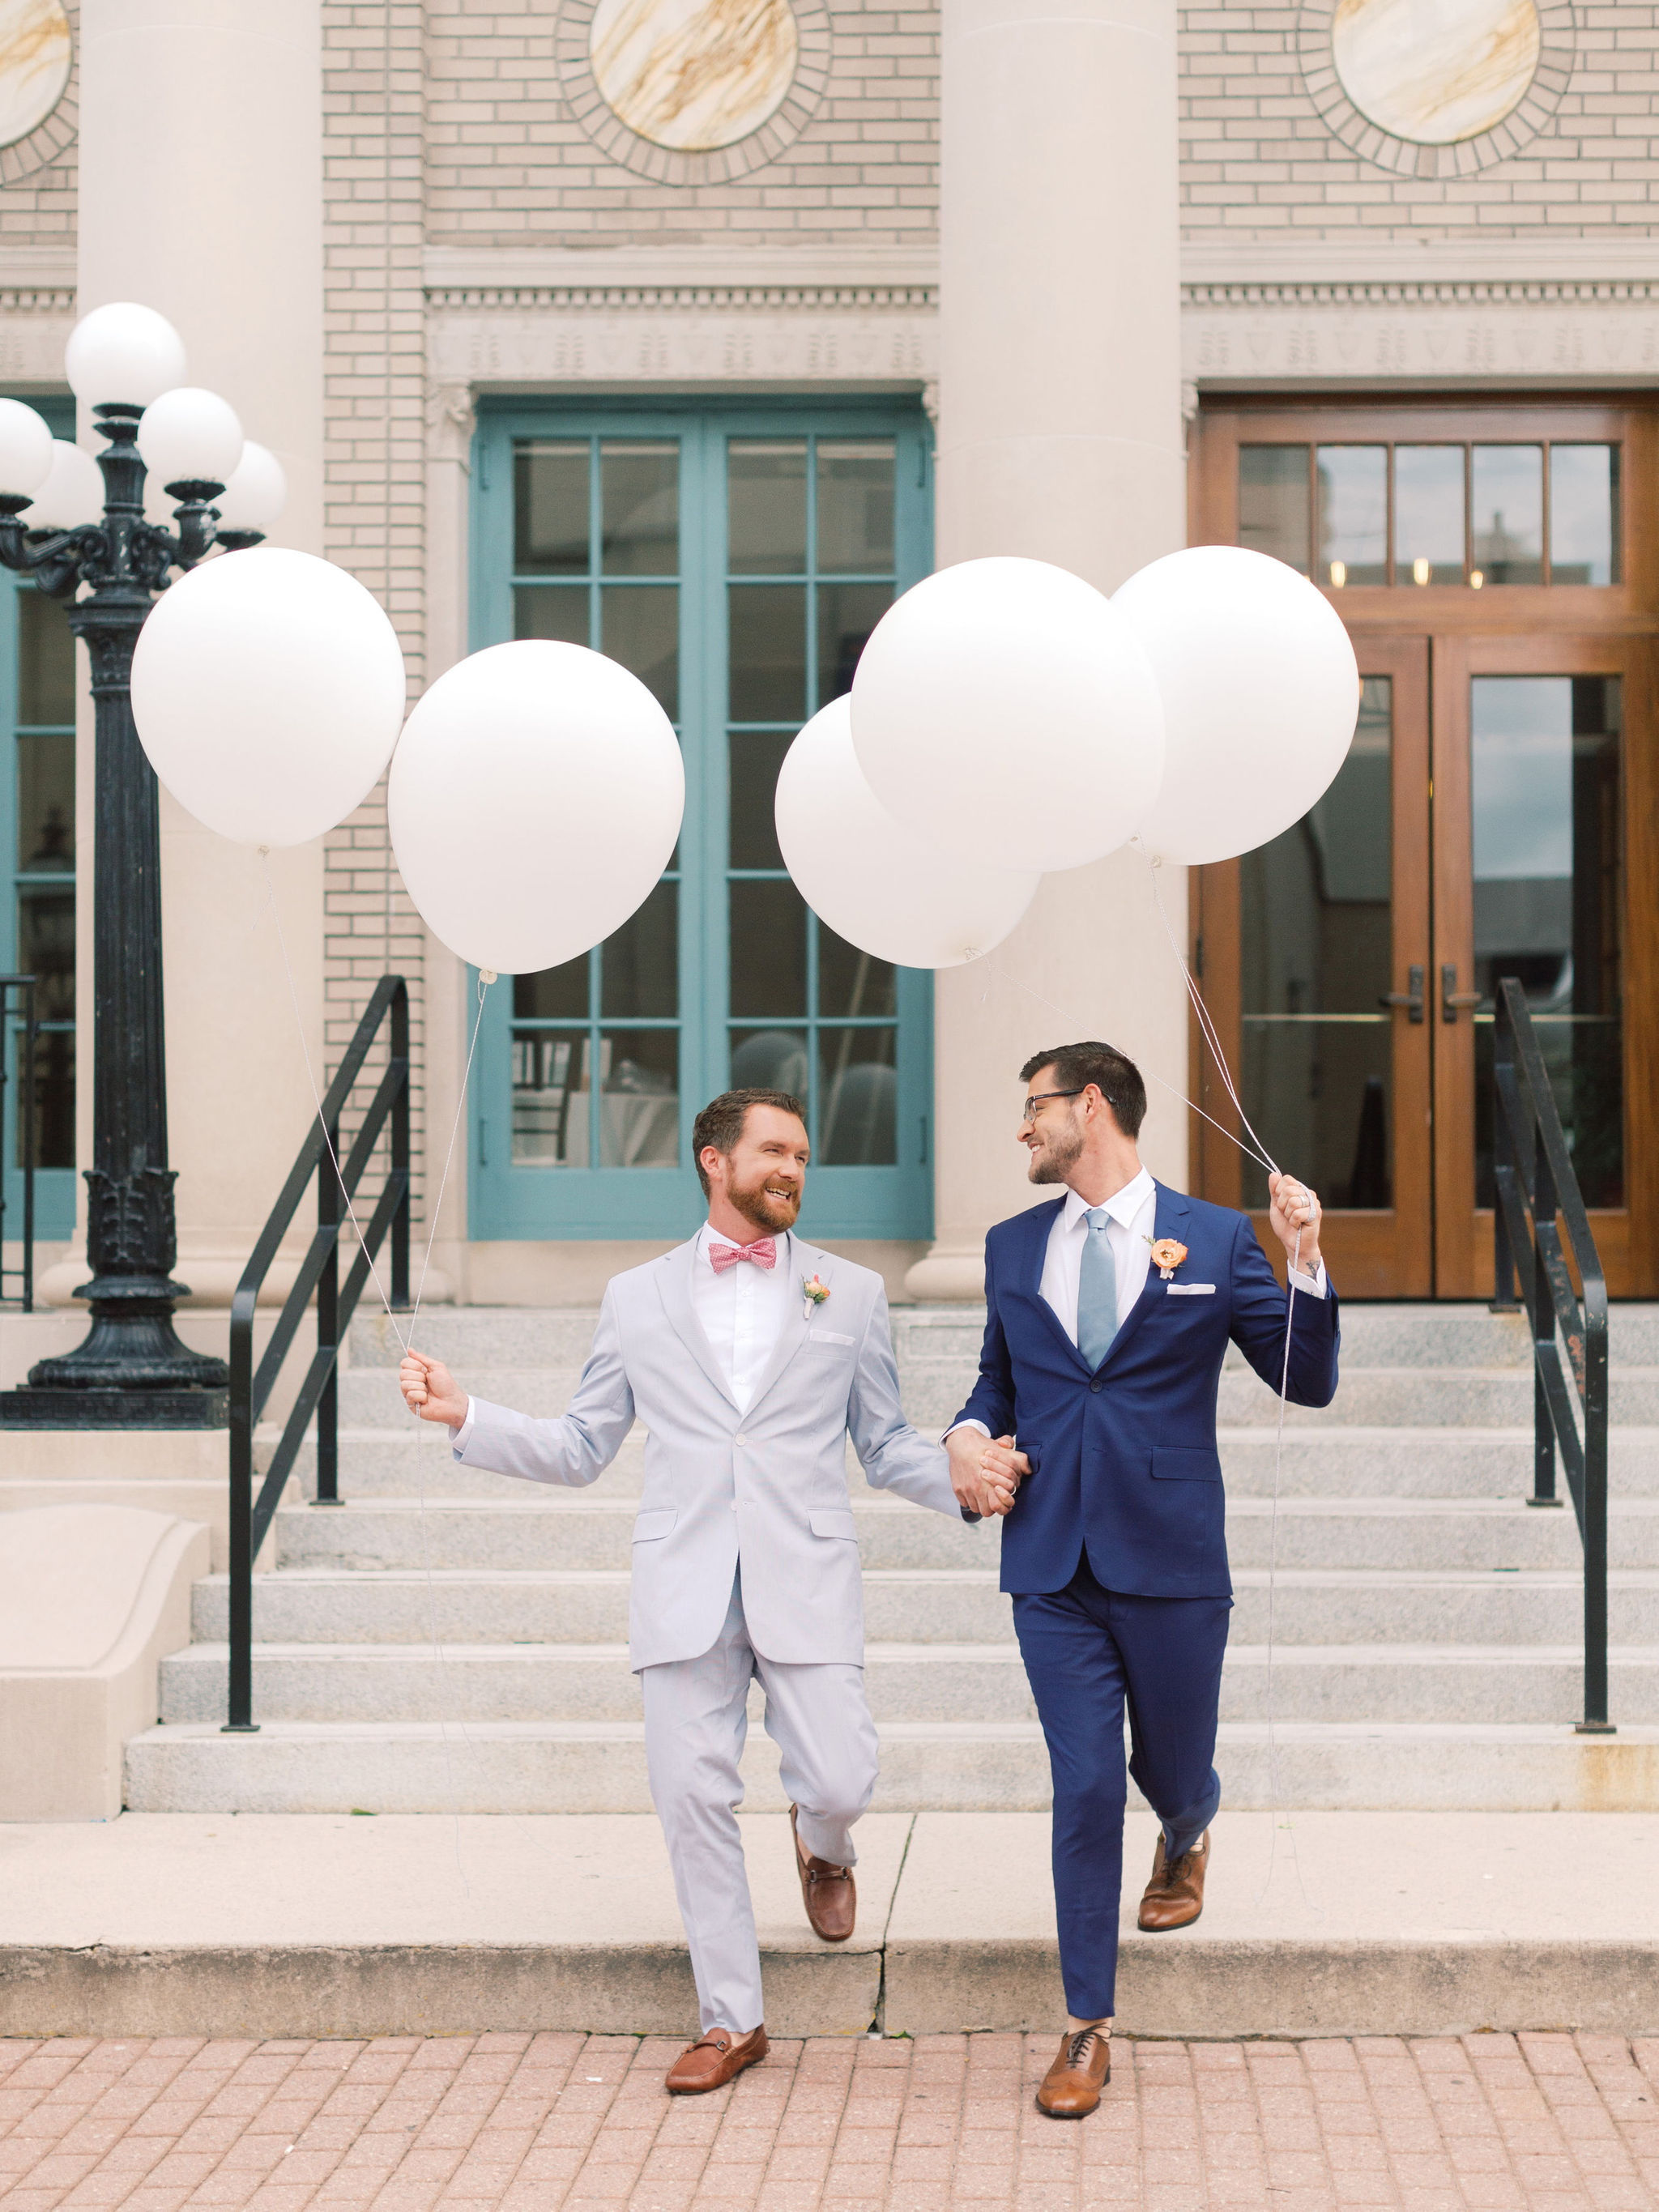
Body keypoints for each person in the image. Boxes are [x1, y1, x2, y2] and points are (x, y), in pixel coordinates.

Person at [399, 1087, 1013, 2095]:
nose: (792, 1170)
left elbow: (881, 1439)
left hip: (805, 1572)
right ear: (711, 1161)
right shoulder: (635, 1297)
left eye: (803, 1156)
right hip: (682, 1580)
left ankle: (823, 1846)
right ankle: (732, 2021)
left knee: (841, 1777)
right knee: (691, 1799)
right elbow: (582, 1444)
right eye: (774, 1150)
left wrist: (959, 1472)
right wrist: (469, 1413)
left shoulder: (848, 1294)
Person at [945, 1042, 1338, 2119]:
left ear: (1090, 1103)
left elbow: (1304, 1380)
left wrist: (1300, 1257)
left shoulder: (1214, 1236)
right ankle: (1085, 2024)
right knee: (1084, 1782)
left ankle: (1192, 1817)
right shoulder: (1012, 1242)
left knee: (1172, 1763)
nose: (1024, 1128)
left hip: (1170, 1552)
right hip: (1051, 1560)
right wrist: (967, 1434)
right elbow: (999, 1372)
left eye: (1035, 1107)